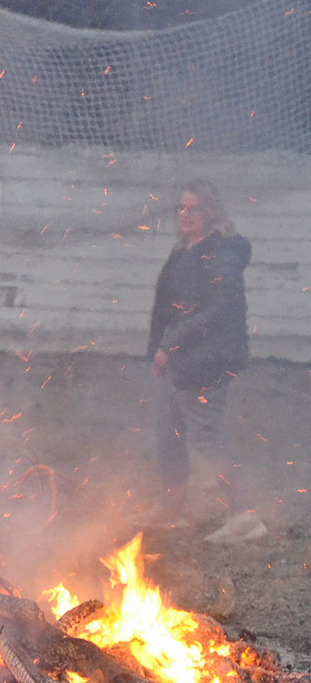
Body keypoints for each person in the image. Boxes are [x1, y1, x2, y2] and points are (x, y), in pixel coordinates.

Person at [147, 182, 264, 543]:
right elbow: (167, 306)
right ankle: (172, 511)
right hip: (179, 361)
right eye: (181, 208)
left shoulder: (221, 254)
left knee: (207, 437)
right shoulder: (184, 251)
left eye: (193, 208)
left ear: (211, 212)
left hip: (209, 360)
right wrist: (158, 349)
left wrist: (171, 342)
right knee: (170, 433)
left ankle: (245, 517)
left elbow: (219, 310)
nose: (185, 215)